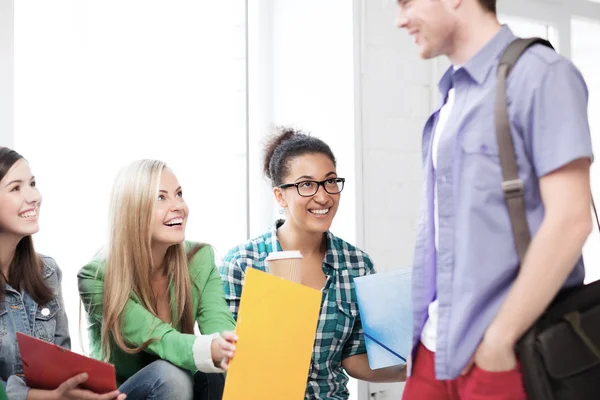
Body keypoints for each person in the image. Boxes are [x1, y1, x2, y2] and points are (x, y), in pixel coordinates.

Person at [395, 1, 594, 398]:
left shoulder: (541, 75)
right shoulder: (450, 101)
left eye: (406, 2)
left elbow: (572, 218)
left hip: (509, 351)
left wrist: (500, 339)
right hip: (434, 350)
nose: (400, 20)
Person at [219, 127, 406, 400]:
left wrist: (413, 367)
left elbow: (354, 359)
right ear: (280, 196)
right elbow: (230, 362)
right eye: (306, 184)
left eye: (330, 181)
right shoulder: (241, 264)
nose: (323, 196)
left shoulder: (357, 264)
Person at [78, 159, 237, 400]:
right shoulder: (97, 277)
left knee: (216, 372)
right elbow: (159, 339)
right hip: (119, 395)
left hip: (180, 389)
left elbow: (220, 325)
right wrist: (211, 350)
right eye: (161, 198)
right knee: (171, 374)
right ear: (132, 210)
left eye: (179, 194)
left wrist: (230, 347)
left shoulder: (199, 259)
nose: (178, 206)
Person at [0, 147, 125, 400]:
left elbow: (60, 362)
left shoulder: (47, 272)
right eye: (16, 188)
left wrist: (82, 391)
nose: (33, 196)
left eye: (32, 184)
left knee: (162, 377)